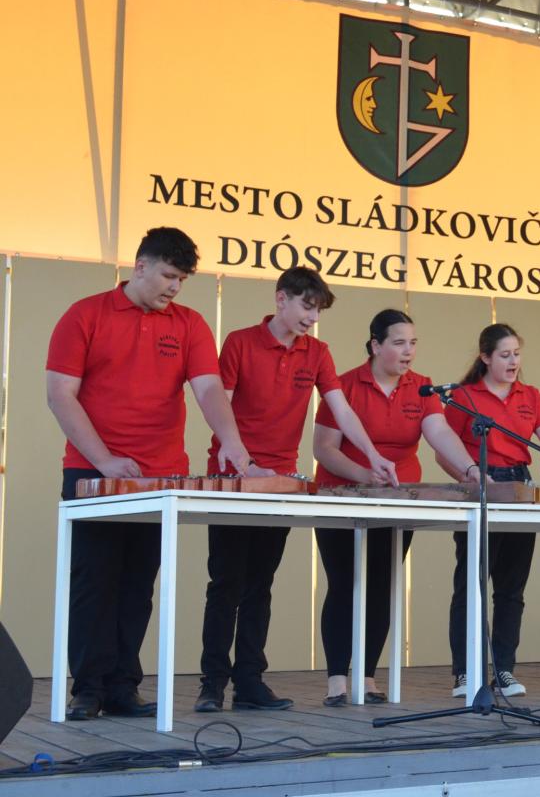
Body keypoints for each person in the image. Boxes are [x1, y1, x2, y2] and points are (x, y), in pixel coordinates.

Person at [47, 227, 255, 720]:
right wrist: (103, 459)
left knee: (139, 584)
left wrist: (231, 441)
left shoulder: (190, 324)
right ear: (139, 266)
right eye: (168, 275)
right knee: (94, 581)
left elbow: (209, 390)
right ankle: (88, 689)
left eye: (182, 279)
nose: (174, 287)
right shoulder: (85, 314)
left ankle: (123, 688)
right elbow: (60, 395)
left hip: (161, 477)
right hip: (92, 471)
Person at [194, 268, 398, 713]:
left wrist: (371, 455)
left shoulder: (318, 352)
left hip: (282, 481)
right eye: (307, 306)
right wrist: (243, 459)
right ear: (281, 298)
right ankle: (212, 683)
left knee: (260, 584)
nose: (312, 318)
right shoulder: (240, 342)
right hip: (233, 478)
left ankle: (250, 681)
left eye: (318, 310)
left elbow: (341, 410)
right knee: (225, 583)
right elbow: (217, 402)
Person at [312, 309, 478, 706]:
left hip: (398, 500)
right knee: (343, 584)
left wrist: (471, 469)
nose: (409, 351)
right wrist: (364, 474)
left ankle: (367, 676)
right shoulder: (344, 385)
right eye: (399, 343)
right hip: (342, 495)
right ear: (376, 345)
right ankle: (337, 679)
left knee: (381, 584)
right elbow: (324, 449)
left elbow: (440, 433)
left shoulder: (421, 388)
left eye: (413, 343)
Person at [444, 323, 540, 698]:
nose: (512, 362)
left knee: (511, 588)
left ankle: (504, 669)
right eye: (504, 355)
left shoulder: (531, 395)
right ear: (485, 357)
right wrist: (469, 478)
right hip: (480, 485)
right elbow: (445, 449)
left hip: (520, 488)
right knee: (471, 585)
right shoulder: (464, 396)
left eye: (517, 354)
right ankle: (465, 671)